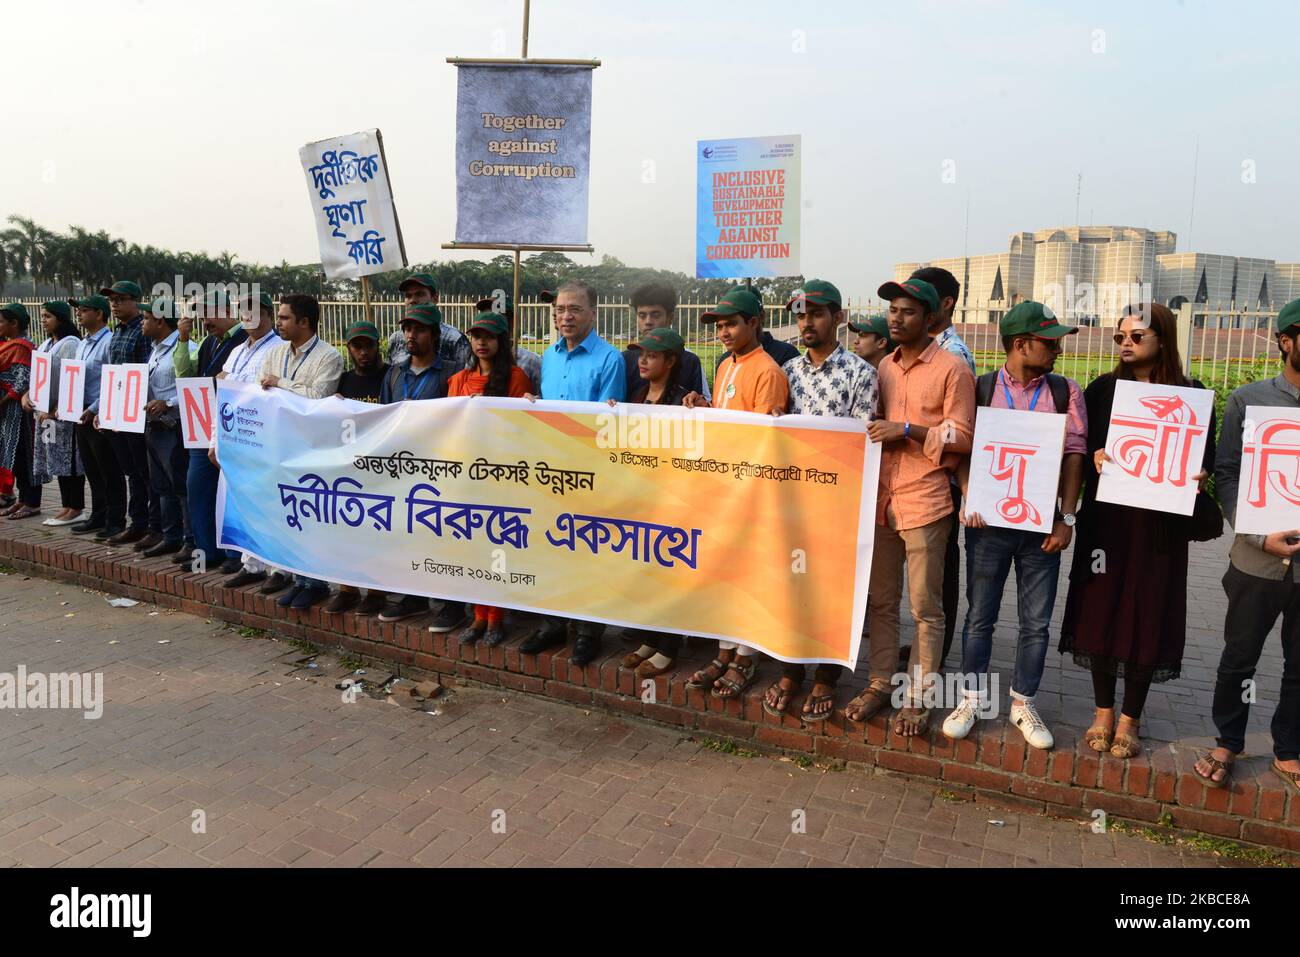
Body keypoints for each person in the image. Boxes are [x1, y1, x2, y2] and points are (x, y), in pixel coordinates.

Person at [1059, 303, 1215, 760]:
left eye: (1137, 336)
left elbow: (1201, 458)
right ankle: (1103, 710)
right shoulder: (1103, 391)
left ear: (1162, 340)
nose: (1126, 343)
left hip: (1160, 525)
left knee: (1149, 611)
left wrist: (1198, 473)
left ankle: (1131, 717)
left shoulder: (1191, 393)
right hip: (1110, 521)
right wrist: (1096, 458)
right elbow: (1079, 449)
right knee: (1101, 607)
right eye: (1120, 336)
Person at [942, 302, 1087, 750]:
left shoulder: (1066, 392)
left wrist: (1066, 519)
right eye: (1050, 341)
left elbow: (1074, 456)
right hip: (987, 525)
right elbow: (959, 451)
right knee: (978, 617)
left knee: (1036, 623)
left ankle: (1023, 703)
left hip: (1042, 527)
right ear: (1021, 344)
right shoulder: (980, 387)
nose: (1058, 348)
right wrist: (970, 495)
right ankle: (970, 699)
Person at [844, 277, 974, 737]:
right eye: (892, 311)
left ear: (930, 317)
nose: (896, 319)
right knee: (881, 601)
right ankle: (880, 683)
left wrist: (909, 430)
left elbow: (963, 436)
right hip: (880, 499)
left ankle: (918, 697)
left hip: (925, 499)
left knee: (924, 607)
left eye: (907, 312)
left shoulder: (952, 369)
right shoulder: (881, 368)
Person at [1194, 298, 1300, 792]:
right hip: (1257, 560)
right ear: (1286, 340)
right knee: (1241, 657)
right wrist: (1258, 534)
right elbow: (1227, 473)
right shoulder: (1248, 400)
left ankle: (1288, 749)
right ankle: (1227, 742)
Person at [764, 280, 879, 721]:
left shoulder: (859, 374)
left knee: (832, 590)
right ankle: (790, 670)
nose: (805, 322)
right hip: (792, 501)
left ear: (838, 318)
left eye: (815, 314)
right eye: (799, 314)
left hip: (838, 504)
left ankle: (827, 677)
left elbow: (860, 445)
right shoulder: (789, 372)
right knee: (793, 585)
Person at [682, 286, 790, 700]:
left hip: (752, 491)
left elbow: (763, 438)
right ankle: (725, 649)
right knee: (725, 573)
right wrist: (704, 407)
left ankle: (746, 656)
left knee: (749, 576)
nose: (724, 332)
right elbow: (730, 421)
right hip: (723, 488)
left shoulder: (768, 371)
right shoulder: (726, 365)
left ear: (754, 323)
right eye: (720, 325)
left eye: (731, 324)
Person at [518, 280, 625, 666]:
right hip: (551, 471)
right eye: (560, 309)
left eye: (574, 309)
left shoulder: (609, 359)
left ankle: (588, 630)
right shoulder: (548, 356)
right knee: (551, 547)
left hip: (589, 472)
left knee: (588, 551)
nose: (565, 316)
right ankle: (552, 624)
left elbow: (605, 425)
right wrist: (535, 407)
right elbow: (548, 410)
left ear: (593, 314)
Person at [608, 326, 695, 678]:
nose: (643, 360)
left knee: (668, 573)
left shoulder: (683, 401)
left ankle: (669, 646)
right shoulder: (638, 396)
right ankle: (649, 638)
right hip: (641, 497)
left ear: (671, 361)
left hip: (671, 500)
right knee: (645, 571)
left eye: (652, 355)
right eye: (640, 354)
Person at [449, 311, 532, 646]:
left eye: (489, 336)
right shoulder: (457, 380)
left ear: (501, 341)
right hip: (466, 474)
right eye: (476, 336)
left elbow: (520, 430)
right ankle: (478, 615)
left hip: (500, 476)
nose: (481, 342)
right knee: (472, 547)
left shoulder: (516, 378)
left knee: (497, 546)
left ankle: (496, 617)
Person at [375, 302, 461, 626]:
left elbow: (459, 418)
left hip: (440, 468)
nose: (411, 335)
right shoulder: (395, 372)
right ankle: (414, 596)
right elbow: (382, 415)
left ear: (435, 334)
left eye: (420, 329)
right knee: (408, 530)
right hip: (402, 467)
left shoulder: (451, 372)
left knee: (446, 532)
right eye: (408, 328)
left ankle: (452, 602)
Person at [259, 294, 343, 610]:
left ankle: (316, 582)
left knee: (313, 516)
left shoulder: (329, 357)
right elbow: (261, 393)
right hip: (280, 446)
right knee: (288, 514)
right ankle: (298, 578)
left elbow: (318, 398)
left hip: (312, 449)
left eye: (283, 318)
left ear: (304, 322)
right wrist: (278, 388)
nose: (277, 323)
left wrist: (280, 383)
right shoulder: (275, 353)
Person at [910, 266, 974, 669]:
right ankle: (924, 647)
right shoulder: (923, 347)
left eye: (923, 299)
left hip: (943, 479)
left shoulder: (953, 356)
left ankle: (939, 651)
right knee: (924, 578)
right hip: (911, 479)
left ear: (945, 303)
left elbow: (959, 431)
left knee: (941, 572)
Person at [173, 287, 248, 572]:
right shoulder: (208, 344)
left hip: (233, 428)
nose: (204, 323)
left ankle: (233, 553)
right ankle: (206, 551)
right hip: (203, 426)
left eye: (208, 316)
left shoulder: (243, 341)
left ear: (227, 311)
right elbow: (184, 374)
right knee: (198, 487)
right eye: (201, 317)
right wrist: (182, 339)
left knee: (230, 492)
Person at [216, 292, 284, 589]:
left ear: (268, 315)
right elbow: (224, 390)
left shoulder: (279, 348)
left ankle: (278, 568)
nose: (248, 316)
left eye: (254, 310)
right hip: (235, 434)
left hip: (263, 435)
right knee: (242, 502)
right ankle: (251, 563)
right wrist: (214, 439)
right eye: (243, 310)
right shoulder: (237, 350)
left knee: (269, 502)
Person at [326, 320, 389, 615]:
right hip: (349, 465)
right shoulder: (344, 380)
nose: (363, 352)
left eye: (368, 345)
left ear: (379, 346)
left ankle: (377, 591)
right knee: (345, 528)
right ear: (348, 348)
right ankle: (347, 588)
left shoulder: (390, 377)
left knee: (377, 529)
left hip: (380, 466)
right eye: (357, 346)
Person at [97, 280, 156, 549]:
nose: (115, 304)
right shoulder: (116, 332)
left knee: (145, 473)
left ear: (135, 301)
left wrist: (129, 413)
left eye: (121, 299)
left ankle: (149, 525)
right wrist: (105, 410)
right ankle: (138, 522)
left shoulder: (142, 332)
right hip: (118, 414)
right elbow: (111, 376)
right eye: (112, 300)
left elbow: (145, 377)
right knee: (131, 471)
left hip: (138, 415)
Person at [139, 298, 197, 559]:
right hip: (155, 427)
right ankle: (170, 535)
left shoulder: (187, 348)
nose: (143, 323)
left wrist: (168, 403)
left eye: (146, 318)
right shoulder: (156, 349)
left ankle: (190, 539)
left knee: (180, 485)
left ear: (160, 321)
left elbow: (192, 387)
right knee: (162, 485)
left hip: (176, 425)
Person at [24, 302, 85, 526]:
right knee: (57, 460)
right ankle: (66, 506)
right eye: (42, 316)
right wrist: (27, 396)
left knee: (70, 461)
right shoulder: (48, 343)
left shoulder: (70, 344)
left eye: (48, 316)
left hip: (62, 414)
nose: (43, 320)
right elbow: (38, 376)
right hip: (44, 414)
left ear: (60, 318)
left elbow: (70, 380)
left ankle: (77, 507)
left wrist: (54, 410)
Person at [67, 296, 117, 539]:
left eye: (85, 310)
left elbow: (111, 381)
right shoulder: (83, 343)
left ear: (99, 314)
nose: (79, 314)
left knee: (108, 469)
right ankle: (98, 514)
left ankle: (114, 519)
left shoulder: (108, 342)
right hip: (80, 412)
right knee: (92, 469)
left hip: (99, 414)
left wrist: (95, 409)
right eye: (78, 310)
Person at [621, 281, 708, 400]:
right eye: (642, 315)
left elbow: (701, 405)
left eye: (655, 315)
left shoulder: (690, 361)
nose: (648, 321)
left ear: (670, 318)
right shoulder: (625, 360)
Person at [385, 273, 471, 371]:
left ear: (435, 298)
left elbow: (466, 380)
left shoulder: (455, 340)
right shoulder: (395, 339)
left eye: (419, 294)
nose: (412, 300)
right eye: (408, 296)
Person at [0, 304, 34, 510]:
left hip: (17, 411)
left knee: (21, 454)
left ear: (14, 323)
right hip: (6, 411)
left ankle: (29, 500)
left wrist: (3, 401)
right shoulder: (8, 345)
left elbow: (22, 382)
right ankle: (20, 499)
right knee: (11, 454)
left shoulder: (21, 347)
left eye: (1, 321)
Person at [475, 291, 541, 393]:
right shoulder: (472, 361)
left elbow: (542, 400)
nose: (489, 320)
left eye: (497, 315)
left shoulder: (531, 362)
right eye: (486, 314)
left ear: (512, 322)